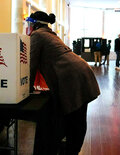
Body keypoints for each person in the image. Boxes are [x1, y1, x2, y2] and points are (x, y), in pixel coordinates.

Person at [26, 11, 100, 155]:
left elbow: (31, 64)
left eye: (28, 23)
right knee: (77, 117)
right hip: (80, 72)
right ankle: (72, 150)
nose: (27, 27)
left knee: (75, 119)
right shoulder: (50, 34)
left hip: (73, 77)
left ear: (34, 24)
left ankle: (71, 150)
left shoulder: (38, 35)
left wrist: (26, 90)